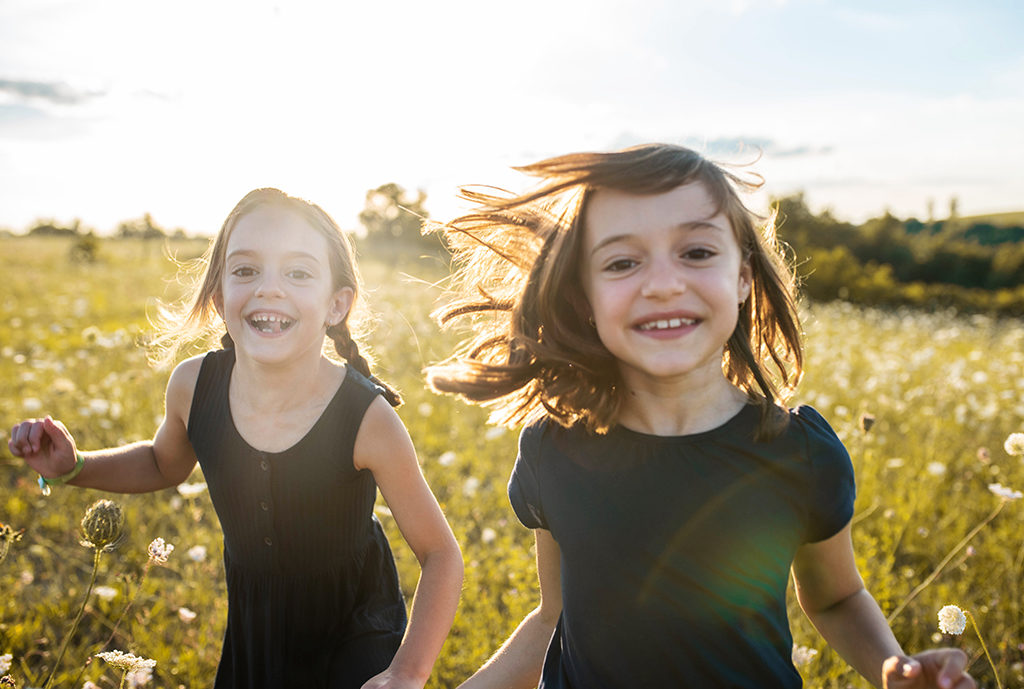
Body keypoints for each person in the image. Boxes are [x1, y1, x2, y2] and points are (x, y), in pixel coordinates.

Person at [425, 144, 974, 689]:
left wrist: (892, 669)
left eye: (697, 253)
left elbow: (836, 598)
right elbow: (555, 617)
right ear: (583, 294)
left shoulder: (798, 450)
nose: (663, 283)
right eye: (622, 262)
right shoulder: (554, 448)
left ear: (743, 277)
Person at [9, 188, 464, 689]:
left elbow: (440, 554)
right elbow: (164, 465)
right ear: (220, 297)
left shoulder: (366, 419)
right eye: (246, 270)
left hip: (356, 635)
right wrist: (75, 466)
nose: (270, 288)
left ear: (337, 304)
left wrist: (407, 671)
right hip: (256, 629)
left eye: (298, 272)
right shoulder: (193, 386)